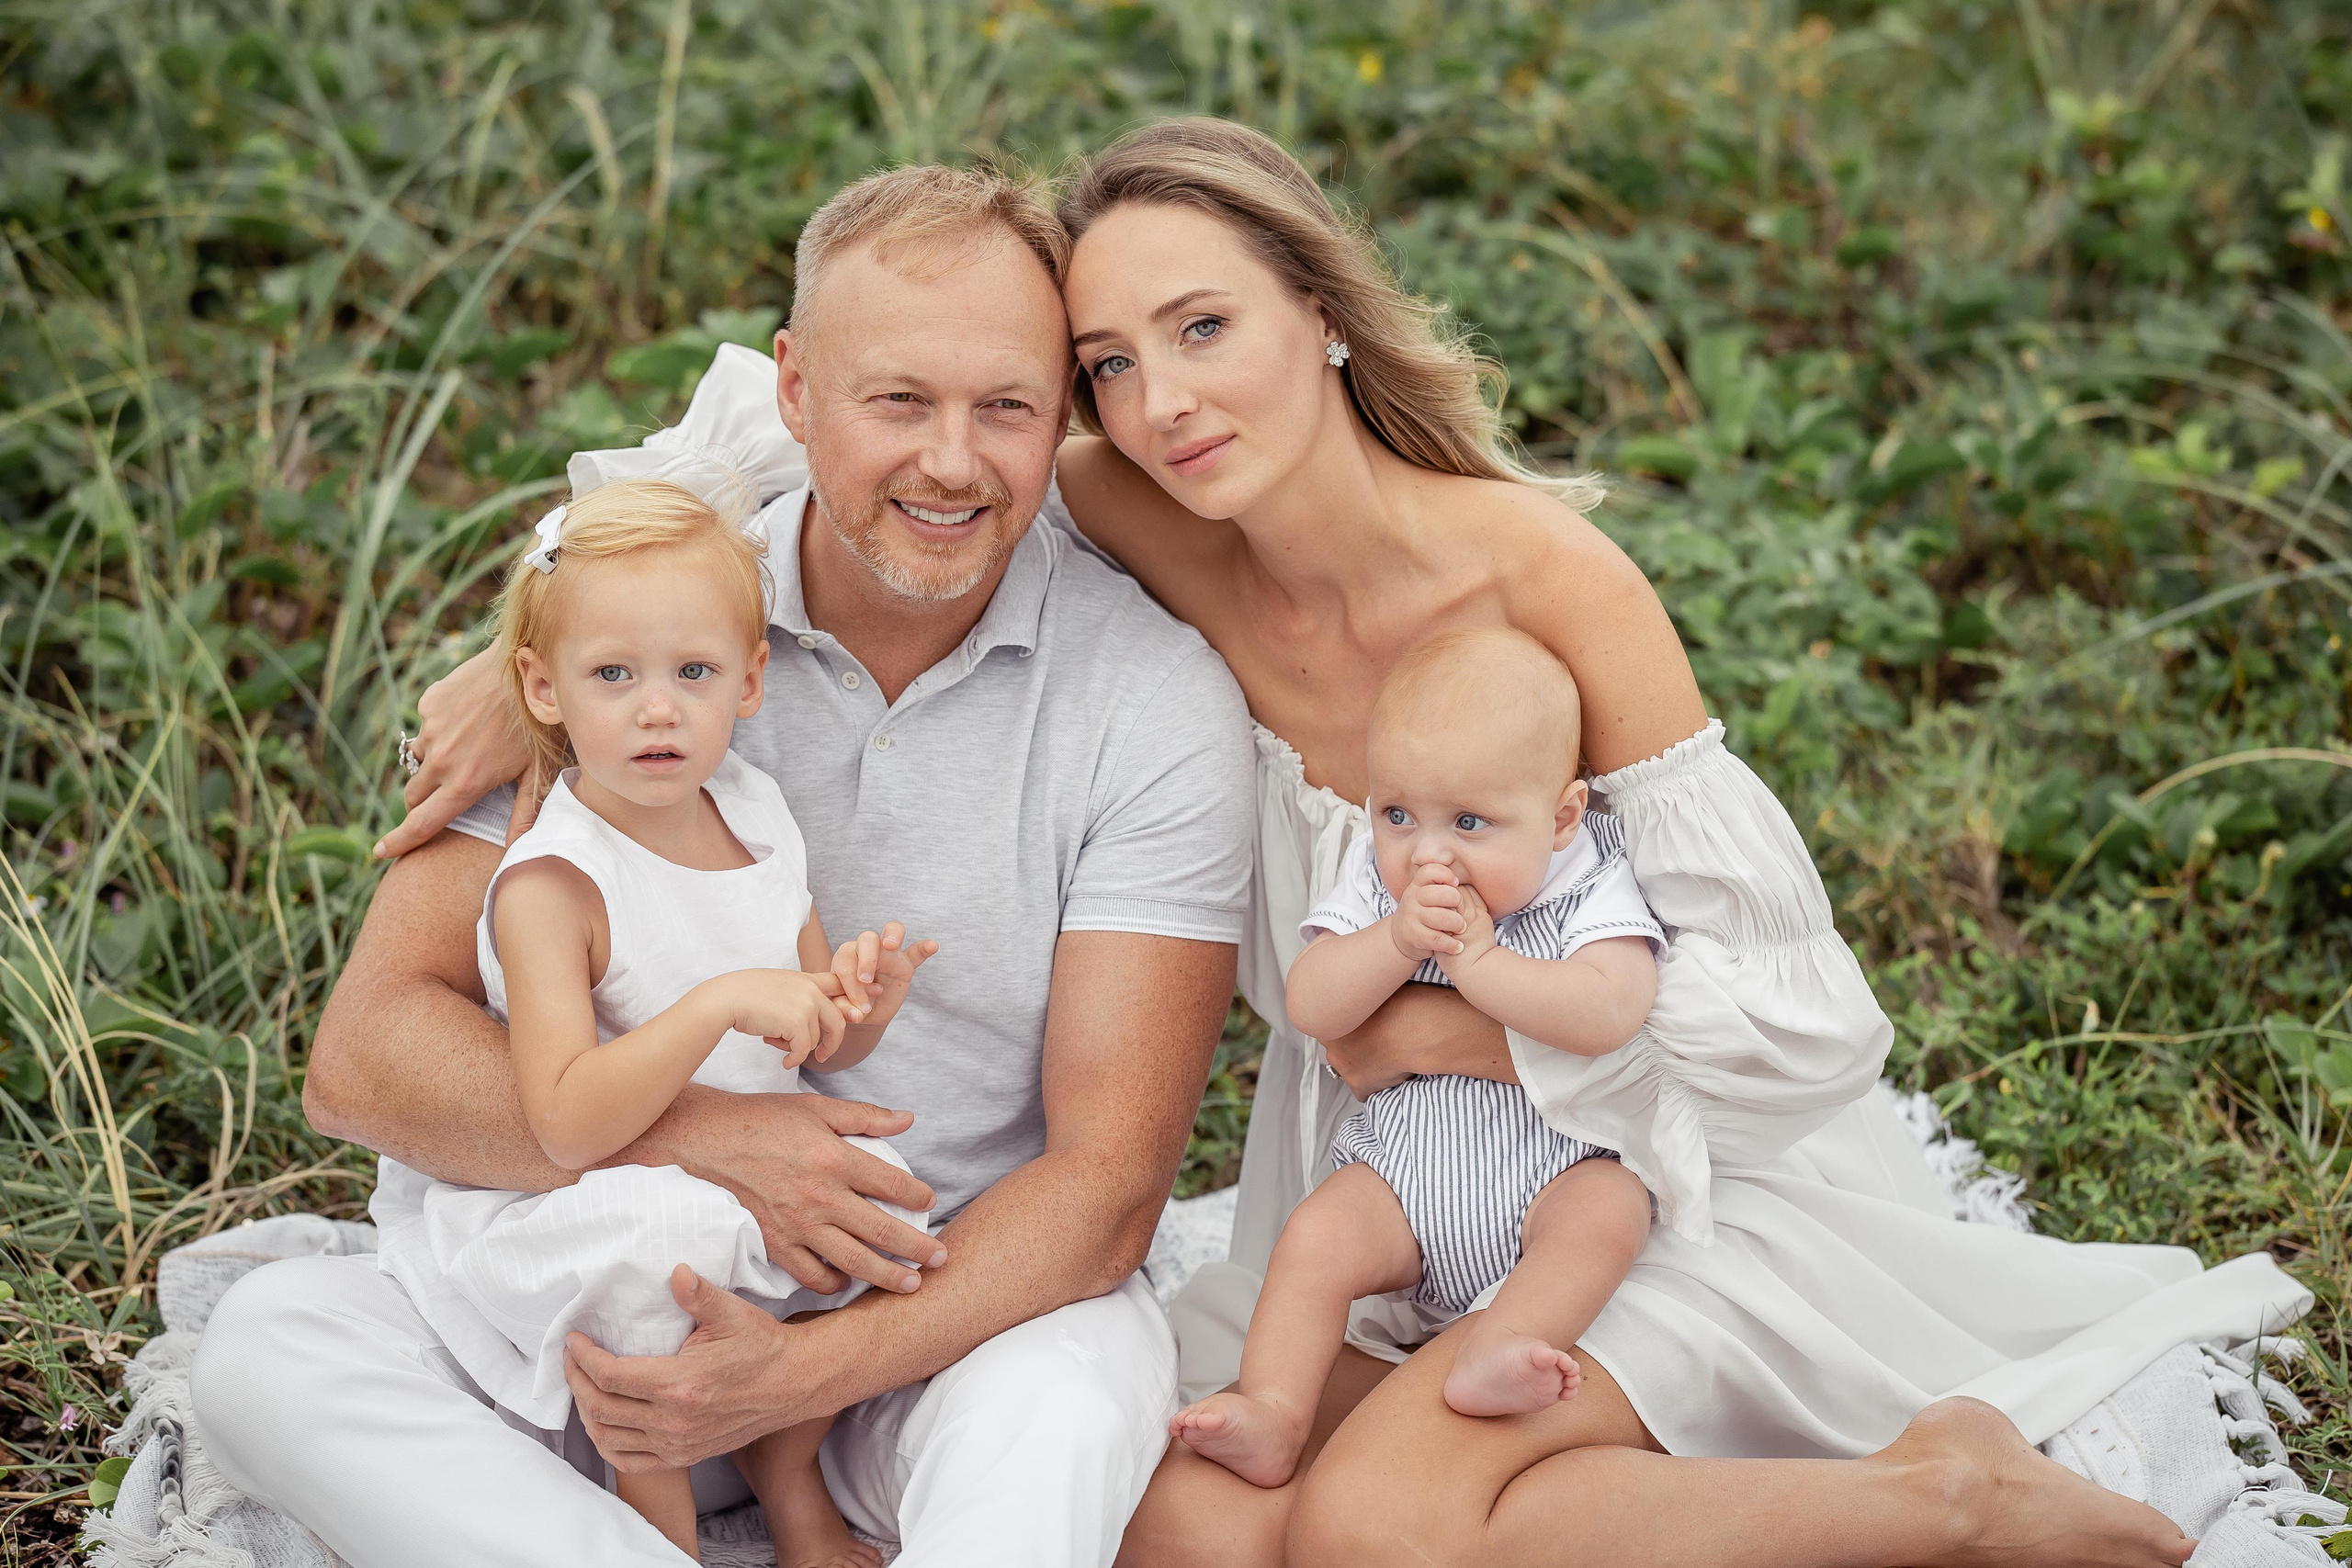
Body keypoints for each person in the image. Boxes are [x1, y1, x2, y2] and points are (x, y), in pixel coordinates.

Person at [379, 119, 2313, 1568]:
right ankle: (1675, 1497)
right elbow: (812, 427)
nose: (1164, 397)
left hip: (1650, 1170)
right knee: (1194, 1532)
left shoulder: (1539, 574)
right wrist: (525, 619)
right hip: (1392, 1195)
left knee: (1374, 1533)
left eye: (1203, 327)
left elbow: (1808, 1024)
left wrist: (1467, 1020)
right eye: (1115, 361)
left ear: (1316, 314)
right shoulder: (1130, 509)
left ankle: (1941, 1496)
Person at [188, 164, 1255, 1568]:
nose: (951, 460)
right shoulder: (630, 613)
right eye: (896, 402)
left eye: (1005, 405)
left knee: (1073, 1388)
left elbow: (1110, 1184)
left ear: (1063, 411)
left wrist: (795, 1378)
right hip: (581, 1307)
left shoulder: (1153, 697)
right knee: (272, 1347)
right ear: (795, 390)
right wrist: (710, 1136)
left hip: (921, 1318)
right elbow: (367, 1054)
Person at [374, 474, 939, 1565]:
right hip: (601, 1198)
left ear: (751, 679)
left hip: (751, 1177)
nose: (656, 708)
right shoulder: (554, 883)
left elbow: (811, 1027)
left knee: (911, 1226)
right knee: (658, 1248)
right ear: (542, 689)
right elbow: (567, 1125)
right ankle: (652, 1516)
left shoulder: (757, 812)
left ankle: (794, 1490)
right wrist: (719, 1001)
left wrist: (858, 1006)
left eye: (692, 672)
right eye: (612, 675)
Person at [1170, 625, 1662, 1487]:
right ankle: (1276, 1409)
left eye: (1470, 821)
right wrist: (1394, 941)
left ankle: (1505, 1340)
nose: (1428, 852)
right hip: (1406, 1171)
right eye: (1399, 814)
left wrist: (1483, 967)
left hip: (1553, 1164)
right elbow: (1312, 1002)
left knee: (1611, 1211)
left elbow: (1610, 1008)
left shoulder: (1588, 873)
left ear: (1560, 816)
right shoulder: (1378, 880)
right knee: (1318, 1236)